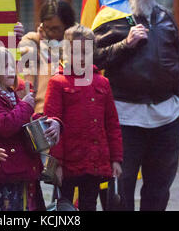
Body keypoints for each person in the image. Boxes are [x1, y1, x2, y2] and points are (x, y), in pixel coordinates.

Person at [93, 0, 179, 211]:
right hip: (123, 121)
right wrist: (125, 44)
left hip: (165, 120)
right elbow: (88, 60)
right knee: (119, 195)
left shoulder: (167, 19)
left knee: (158, 192)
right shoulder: (109, 19)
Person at [0, 46, 61, 211]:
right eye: (4, 67)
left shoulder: (7, 94)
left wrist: (54, 122)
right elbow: (6, 125)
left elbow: (26, 120)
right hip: (4, 174)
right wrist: (25, 105)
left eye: (12, 65)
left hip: (20, 171)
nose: (12, 70)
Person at [43, 24, 123, 211]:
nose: (80, 58)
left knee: (89, 204)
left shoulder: (102, 82)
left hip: (94, 161)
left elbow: (112, 123)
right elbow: (52, 126)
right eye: (75, 52)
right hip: (68, 162)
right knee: (64, 207)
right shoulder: (57, 82)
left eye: (85, 52)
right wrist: (57, 164)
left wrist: (116, 159)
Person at [19, 0, 76, 113]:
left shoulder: (78, 42)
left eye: (55, 29)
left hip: (70, 110)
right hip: (40, 110)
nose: (50, 33)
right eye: (47, 28)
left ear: (67, 26)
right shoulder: (33, 40)